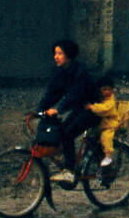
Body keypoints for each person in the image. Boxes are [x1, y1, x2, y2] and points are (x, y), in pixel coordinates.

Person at [33, 38, 98, 182]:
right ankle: (70, 163)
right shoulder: (61, 73)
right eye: (55, 53)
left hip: (93, 109)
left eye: (60, 54)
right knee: (61, 131)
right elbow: (51, 93)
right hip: (80, 109)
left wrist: (59, 109)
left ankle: (70, 171)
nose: (56, 57)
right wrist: (39, 111)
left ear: (69, 55)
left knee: (67, 134)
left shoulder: (80, 71)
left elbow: (74, 94)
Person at [85, 75, 129, 166]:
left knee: (106, 137)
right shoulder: (100, 98)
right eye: (104, 89)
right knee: (90, 136)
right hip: (103, 123)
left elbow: (104, 109)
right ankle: (94, 156)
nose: (107, 92)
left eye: (109, 89)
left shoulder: (110, 101)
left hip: (111, 123)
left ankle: (108, 156)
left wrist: (92, 107)